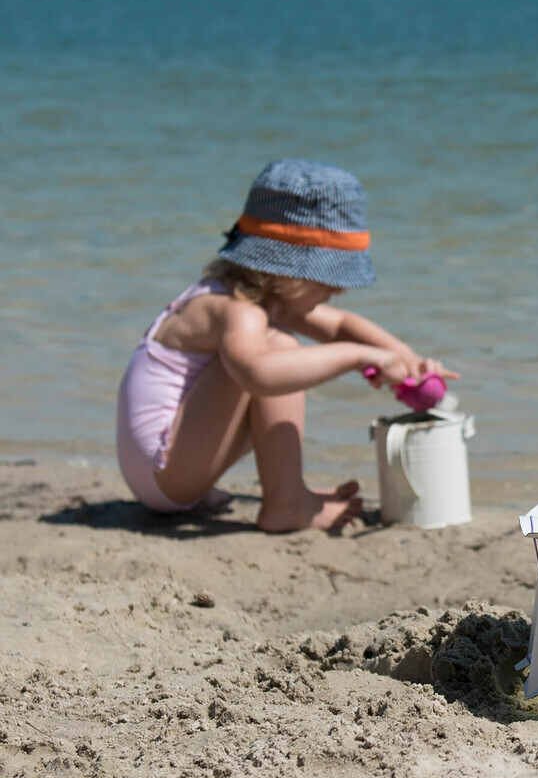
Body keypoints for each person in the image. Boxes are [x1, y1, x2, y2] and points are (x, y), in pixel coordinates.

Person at [116, 158, 458, 533]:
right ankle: (287, 502)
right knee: (277, 348)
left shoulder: (255, 299)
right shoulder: (237, 314)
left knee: (276, 341)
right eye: (328, 277)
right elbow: (258, 375)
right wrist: (359, 357)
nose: (338, 289)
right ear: (286, 269)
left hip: (167, 471)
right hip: (166, 471)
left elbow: (343, 325)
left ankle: (286, 493)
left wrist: (407, 361)